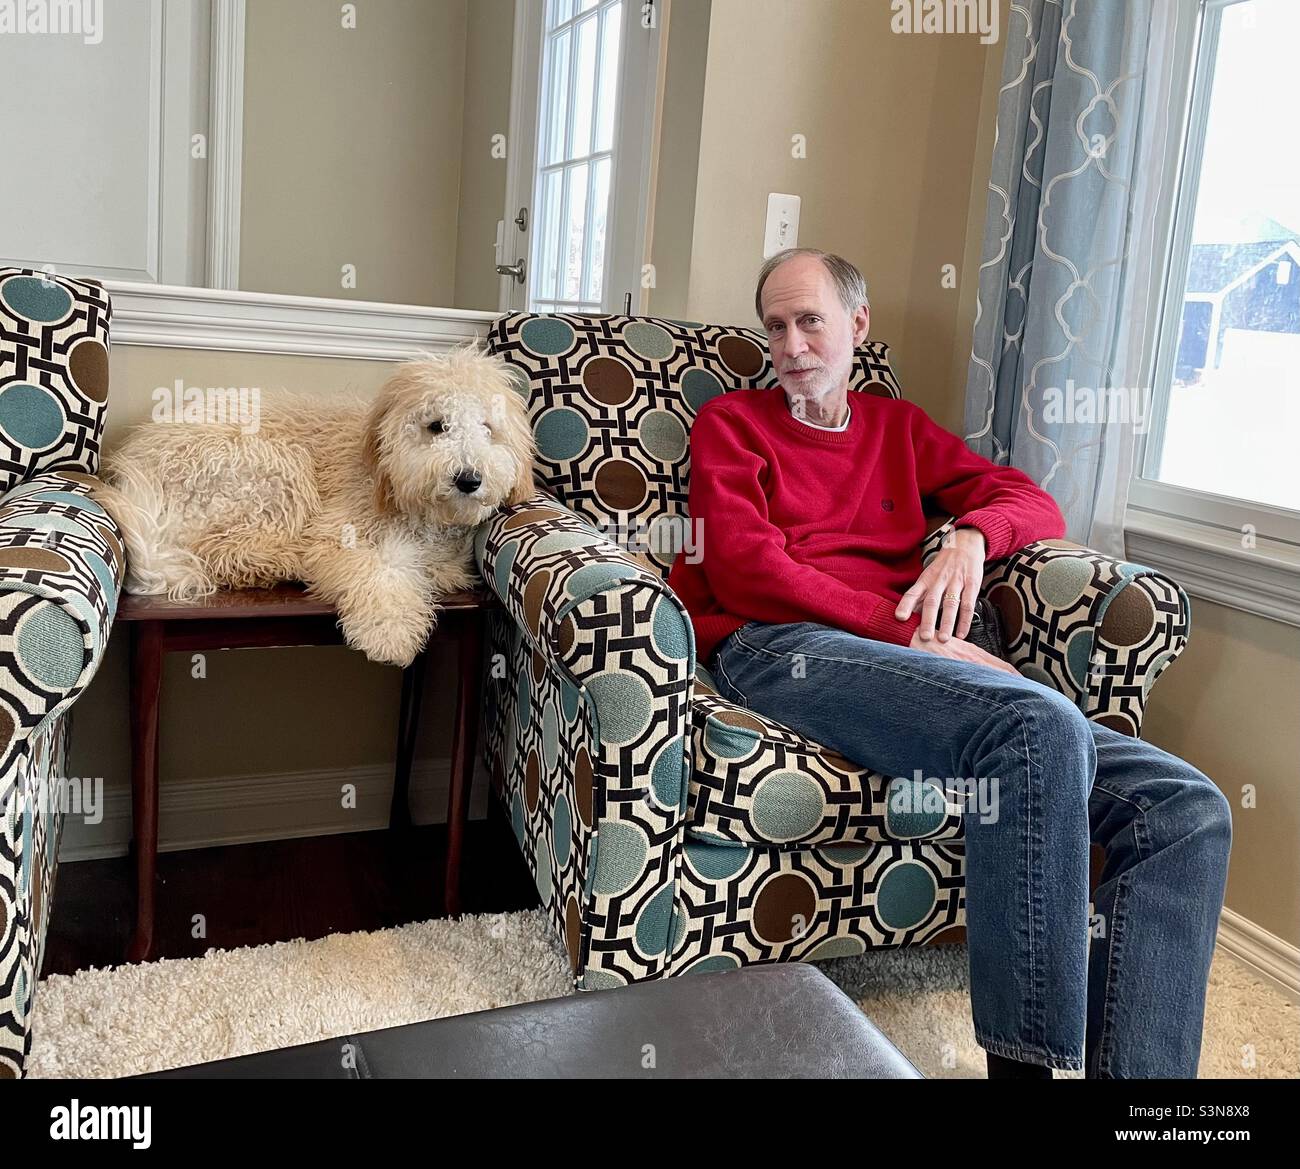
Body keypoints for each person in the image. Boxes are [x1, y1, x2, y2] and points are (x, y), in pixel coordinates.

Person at [667, 247, 1233, 1079]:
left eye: (810, 321)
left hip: (901, 658)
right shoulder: (734, 425)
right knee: (1034, 725)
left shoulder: (901, 430)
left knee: (1186, 806)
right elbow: (748, 568)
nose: (790, 345)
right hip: (777, 643)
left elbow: (1032, 501)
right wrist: (907, 633)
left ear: (858, 324)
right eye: (776, 327)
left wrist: (971, 534)